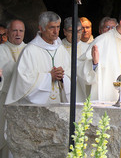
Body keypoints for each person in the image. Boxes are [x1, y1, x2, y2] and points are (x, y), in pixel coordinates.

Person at [6, 11, 71, 105]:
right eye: (52, 27)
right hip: (36, 108)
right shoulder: (30, 51)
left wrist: (63, 77)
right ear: (41, 28)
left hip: (58, 103)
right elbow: (23, 81)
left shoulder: (61, 49)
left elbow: (71, 73)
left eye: (58, 27)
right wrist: (49, 77)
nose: (56, 31)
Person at [0, 19, 26, 157]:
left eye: (21, 31)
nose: (18, 34)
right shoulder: (1, 50)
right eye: (14, 30)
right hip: (5, 101)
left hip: (25, 102)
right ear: (7, 32)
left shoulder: (29, 50)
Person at [62, 17, 89, 102]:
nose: (76, 34)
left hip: (82, 90)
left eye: (79, 30)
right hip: (64, 90)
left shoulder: (88, 49)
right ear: (64, 32)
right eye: (71, 31)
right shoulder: (58, 47)